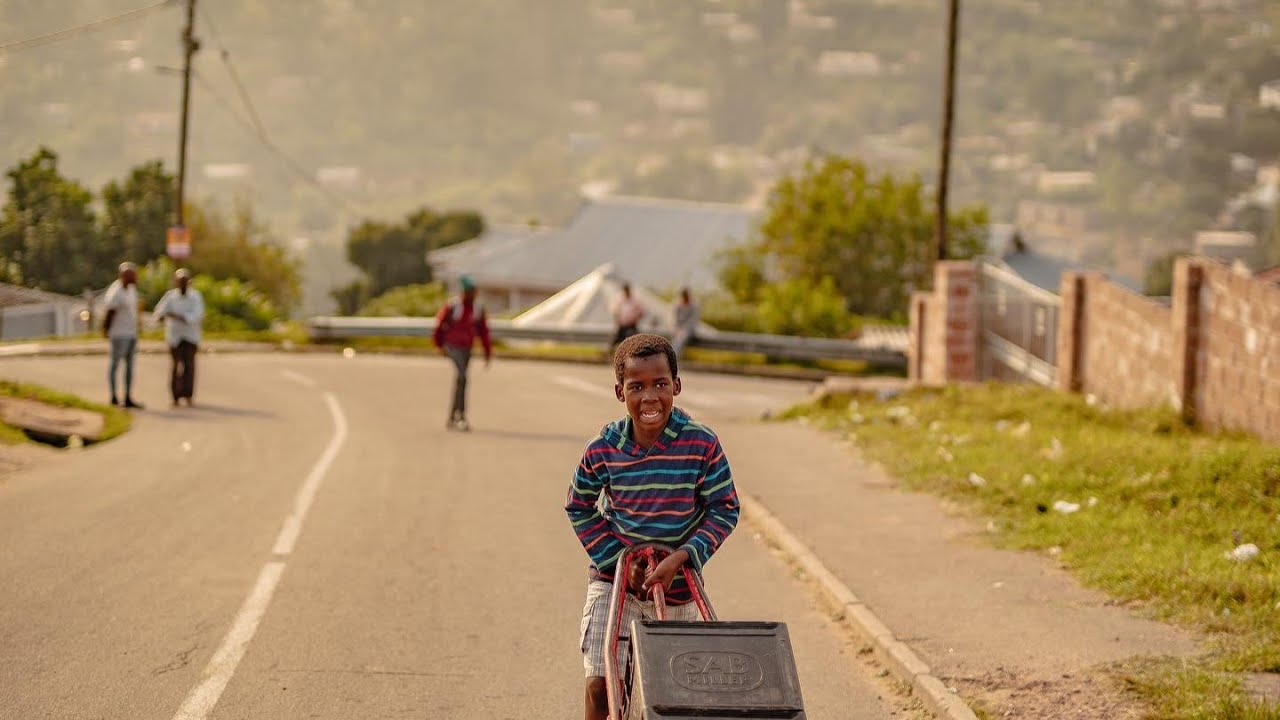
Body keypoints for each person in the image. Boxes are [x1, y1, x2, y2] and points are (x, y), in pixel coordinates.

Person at [565, 333, 739, 720]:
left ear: (676, 385)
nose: (649, 397)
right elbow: (578, 505)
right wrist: (617, 563)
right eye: (636, 387)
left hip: (677, 589)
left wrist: (682, 556)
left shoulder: (702, 444)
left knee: (668, 696)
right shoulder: (603, 448)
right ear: (619, 391)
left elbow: (724, 508)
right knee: (601, 683)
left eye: (661, 384)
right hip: (615, 584)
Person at [432, 275, 491, 431]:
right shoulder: (453, 306)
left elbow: (484, 332)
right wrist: (439, 345)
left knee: (461, 380)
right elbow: (439, 325)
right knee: (462, 377)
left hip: (467, 348)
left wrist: (487, 353)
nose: (473, 294)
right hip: (453, 346)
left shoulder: (477, 309)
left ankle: (452, 416)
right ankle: (461, 416)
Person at [153, 268, 205, 407]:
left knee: (189, 366)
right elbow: (159, 312)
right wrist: (165, 315)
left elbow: (196, 316)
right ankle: (175, 396)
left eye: (184, 282)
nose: (181, 285)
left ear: (188, 283)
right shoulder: (170, 296)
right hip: (174, 336)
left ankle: (188, 395)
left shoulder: (195, 297)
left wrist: (176, 315)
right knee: (175, 366)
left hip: (190, 336)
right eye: (179, 282)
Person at [102, 262, 143, 409]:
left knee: (130, 366)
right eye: (132, 275)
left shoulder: (131, 289)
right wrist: (106, 329)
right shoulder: (116, 292)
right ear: (123, 277)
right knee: (115, 364)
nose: (135, 278)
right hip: (119, 334)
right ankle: (113, 396)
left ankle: (127, 397)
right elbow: (110, 313)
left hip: (131, 333)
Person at [611, 282, 645, 347]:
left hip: (632, 323)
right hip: (622, 323)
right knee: (617, 338)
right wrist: (618, 319)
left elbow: (641, 311)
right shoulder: (620, 300)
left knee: (636, 338)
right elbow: (616, 311)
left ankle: (638, 349)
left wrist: (636, 318)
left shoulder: (635, 300)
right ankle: (611, 352)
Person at [671, 287, 699, 358]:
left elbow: (693, 320)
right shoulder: (678, 304)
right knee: (676, 338)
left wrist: (683, 329)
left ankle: (674, 357)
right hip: (679, 329)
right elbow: (675, 319)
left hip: (688, 329)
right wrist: (677, 328)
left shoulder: (694, 305)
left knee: (680, 339)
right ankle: (672, 356)